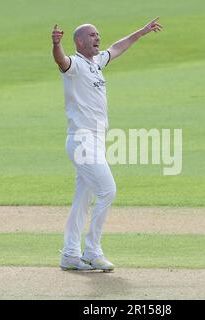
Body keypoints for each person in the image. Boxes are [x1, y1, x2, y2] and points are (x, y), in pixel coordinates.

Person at [51, 17, 163, 271]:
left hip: (96, 140)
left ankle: (69, 255)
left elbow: (118, 47)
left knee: (82, 199)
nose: (97, 38)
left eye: (97, 35)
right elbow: (60, 60)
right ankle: (92, 251)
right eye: (92, 35)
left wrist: (142, 31)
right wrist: (56, 44)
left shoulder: (97, 62)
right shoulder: (75, 65)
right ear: (79, 41)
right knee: (107, 190)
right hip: (82, 140)